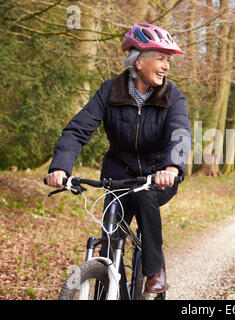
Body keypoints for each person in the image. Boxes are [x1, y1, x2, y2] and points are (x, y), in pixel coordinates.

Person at [46, 23, 191, 293]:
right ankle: (112, 288)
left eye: (167, 60)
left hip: (156, 175)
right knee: (111, 240)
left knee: (146, 198)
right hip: (117, 174)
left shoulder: (172, 95)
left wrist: (171, 166)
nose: (166, 66)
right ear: (138, 61)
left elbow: (180, 133)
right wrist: (60, 168)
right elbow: (77, 130)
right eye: (160, 58)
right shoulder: (110, 90)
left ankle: (154, 268)